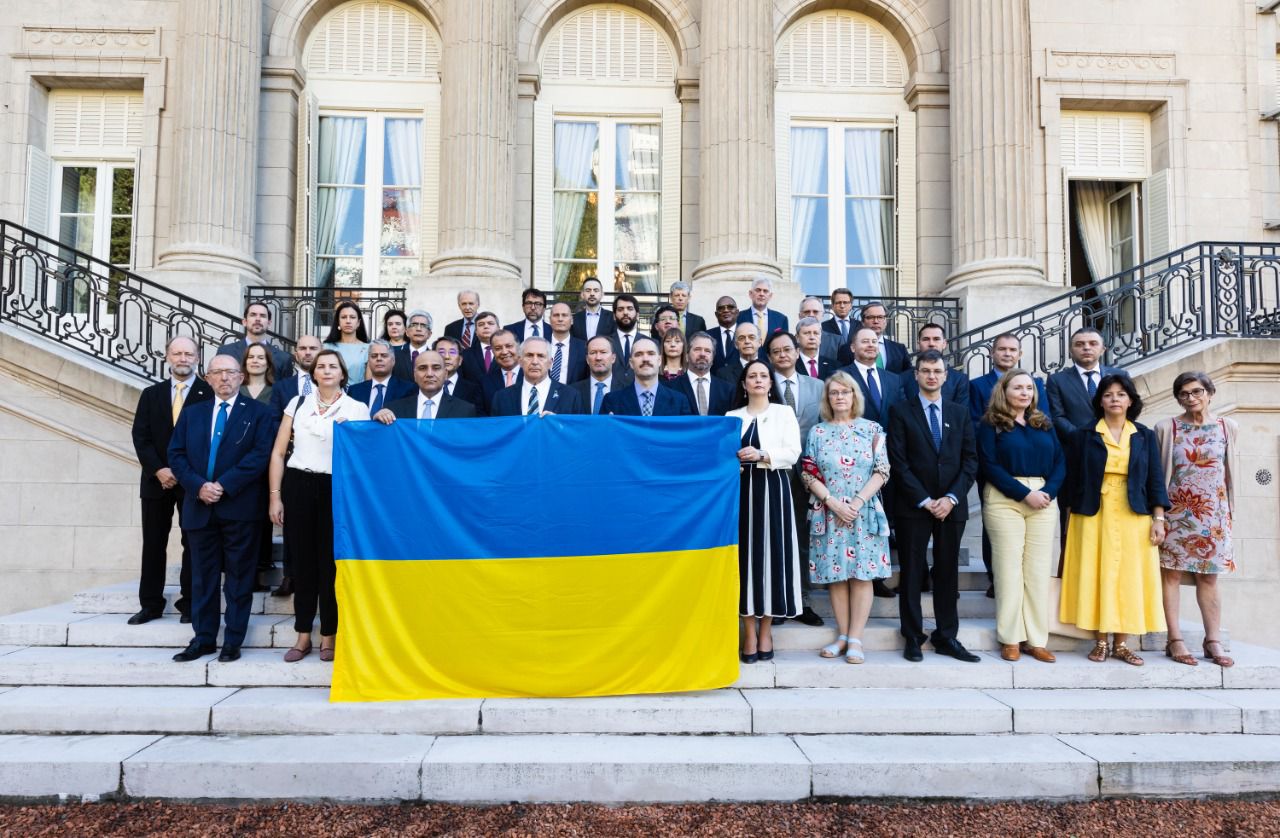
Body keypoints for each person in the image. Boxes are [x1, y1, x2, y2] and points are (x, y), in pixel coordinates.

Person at [167, 354, 276, 663]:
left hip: (239, 508)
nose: (225, 378)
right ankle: (203, 638)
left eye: (230, 372)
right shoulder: (192, 414)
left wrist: (224, 485)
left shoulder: (258, 413)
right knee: (202, 577)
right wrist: (198, 485)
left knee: (240, 578)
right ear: (208, 378)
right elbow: (175, 454)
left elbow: (259, 455)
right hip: (199, 507)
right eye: (218, 373)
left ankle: (233, 640)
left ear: (241, 377)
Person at [268, 349, 371, 663]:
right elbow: (277, 453)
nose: (326, 370)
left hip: (335, 487)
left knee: (329, 564)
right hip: (299, 484)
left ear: (343, 373)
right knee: (301, 562)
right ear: (313, 374)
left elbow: (363, 457)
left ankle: (329, 635)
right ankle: (302, 636)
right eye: (321, 366)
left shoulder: (356, 408)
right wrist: (275, 495)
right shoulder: (297, 403)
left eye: (333, 366)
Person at [1059, 373, 1169, 666]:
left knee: (1129, 576)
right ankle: (1100, 642)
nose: (1115, 399)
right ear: (1100, 401)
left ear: (1130, 400)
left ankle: (1122, 644)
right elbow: (1070, 480)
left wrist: (1159, 517)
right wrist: (1068, 518)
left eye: (1121, 394)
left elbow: (1155, 478)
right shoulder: (1083, 435)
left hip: (1135, 512)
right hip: (1093, 511)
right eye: (1108, 395)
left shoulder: (1144, 435)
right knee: (1099, 574)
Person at [887, 350, 981, 663]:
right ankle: (912, 636)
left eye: (937, 371)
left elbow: (970, 460)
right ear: (916, 375)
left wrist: (951, 498)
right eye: (925, 370)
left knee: (947, 573)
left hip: (952, 506)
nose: (931, 376)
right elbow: (898, 462)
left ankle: (946, 637)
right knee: (912, 573)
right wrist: (926, 500)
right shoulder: (900, 411)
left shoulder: (959, 412)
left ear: (945, 376)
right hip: (914, 506)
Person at [800, 372, 891, 663]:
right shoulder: (817, 432)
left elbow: (882, 470)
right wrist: (833, 503)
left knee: (861, 575)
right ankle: (841, 635)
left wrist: (856, 502)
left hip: (862, 512)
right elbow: (808, 473)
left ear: (855, 396)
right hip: (829, 513)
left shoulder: (872, 430)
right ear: (827, 399)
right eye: (834, 393)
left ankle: (856, 639)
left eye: (845, 392)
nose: (840, 397)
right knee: (836, 576)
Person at [978, 370, 1066, 663]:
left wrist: (1049, 491)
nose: (1025, 393)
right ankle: (1011, 638)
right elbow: (988, 464)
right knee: (1008, 570)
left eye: (1029, 388)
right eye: (1018, 387)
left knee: (1038, 571)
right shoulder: (992, 423)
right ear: (1004, 390)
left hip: (1043, 497)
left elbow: (1060, 462)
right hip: (1006, 498)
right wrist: (1023, 493)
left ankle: (1037, 639)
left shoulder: (1043, 423)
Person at [128, 336, 213, 625]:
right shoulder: (151, 394)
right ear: (167, 357)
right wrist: (160, 470)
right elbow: (141, 437)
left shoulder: (208, 393)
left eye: (188, 354)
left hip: (192, 482)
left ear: (198, 358)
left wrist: (184, 473)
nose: (183, 358)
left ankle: (190, 602)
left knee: (193, 542)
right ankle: (150, 603)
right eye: (177, 353)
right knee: (153, 543)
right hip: (156, 482)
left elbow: (208, 439)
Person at [1156, 372, 1238, 668]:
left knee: (1209, 576)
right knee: (1171, 574)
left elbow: (1228, 474)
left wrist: (1228, 513)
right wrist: (1157, 514)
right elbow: (1158, 474)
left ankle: (1212, 639)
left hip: (1213, 516)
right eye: (1184, 394)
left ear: (1210, 393)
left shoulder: (1228, 427)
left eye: (1197, 391)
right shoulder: (1168, 428)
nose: (1191, 398)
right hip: (1175, 514)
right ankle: (1174, 638)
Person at [728, 359, 803, 662]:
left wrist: (762, 454)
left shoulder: (783, 413)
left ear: (771, 383)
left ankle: (767, 630)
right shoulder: (731, 416)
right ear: (744, 384)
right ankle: (748, 631)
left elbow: (793, 452)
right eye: (752, 376)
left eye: (763, 376)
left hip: (774, 491)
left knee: (772, 557)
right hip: (740, 492)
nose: (758, 380)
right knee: (744, 558)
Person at [969, 332, 1047, 596]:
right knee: (994, 525)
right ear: (992, 352)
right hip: (993, 466)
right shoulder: (978, 385)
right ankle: (995, 577)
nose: (1007, 353)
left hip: (1030, 467)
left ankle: (1024, 578)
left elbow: (1043, 420)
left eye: (1012, 349)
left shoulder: (1035, 384)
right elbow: (973, 424)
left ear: (1020, 354)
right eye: (1001, 349)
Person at [768, 330, 825, 627]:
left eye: (787, 349)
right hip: (774, 473)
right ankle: (776, 600)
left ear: (797, 350)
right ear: (770, 357)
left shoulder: (817, 386)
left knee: (804, 540)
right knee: (774, 537)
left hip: (809, 476)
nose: (782, 355)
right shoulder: (764, 388)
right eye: (776, 351)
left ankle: (802, 600)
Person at [1047, 327, 1121, 547]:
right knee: (1072, 520)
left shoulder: (1119, 376)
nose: (1086, 348)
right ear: (1071, 350)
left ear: (1103, 348)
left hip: (1114, 457)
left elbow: (1127, 411)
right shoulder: (1057, 380)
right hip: (1074, 458)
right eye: (1079, 344)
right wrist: (1085, 439)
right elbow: (1057, 416)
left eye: (1092, 343)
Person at [240, 343, 279, 590]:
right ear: (244, 362)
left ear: (268, 362)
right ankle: (244, 572)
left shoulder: (276, 391)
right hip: (239, 462)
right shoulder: (236, 389)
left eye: (260, 357)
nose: (256, 361)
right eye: (251, 357)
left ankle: (262, 568)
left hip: (267, 461)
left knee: (264, 516)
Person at [373, 350, 478, 422]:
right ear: (414, 375)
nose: (429, 374)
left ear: (445, 374)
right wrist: (378, 420)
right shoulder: (393, 410)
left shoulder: (465, 410)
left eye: (436, 368)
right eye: (423, 368)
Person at [490, 336, 584, 416]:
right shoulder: (501, 397)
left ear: (550, 362)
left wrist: (558, 425)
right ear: (520, 361)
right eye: (529, 355)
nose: (535, 362)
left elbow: (577, 432)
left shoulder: (571, 396)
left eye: (540, 356)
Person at [601, 336, 692, 416]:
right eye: (639, 354)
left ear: (659, 360)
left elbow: (686, 434)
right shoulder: (612, 401)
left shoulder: (679, 401)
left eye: (651, 353)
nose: (645, 359)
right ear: (631, 363)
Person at [839, 327, 903, 430]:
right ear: (853, 348)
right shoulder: (840, 377)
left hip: (889, 442)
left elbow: (901, 413)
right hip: (854, 442)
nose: (871, 345)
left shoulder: (894, 379)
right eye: (865, 341)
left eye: (874, 341)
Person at [216, 301, 294, 380]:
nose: (257, 319)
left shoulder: (283, 358)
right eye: (253, 315)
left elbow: (285, 390)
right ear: (244, 322)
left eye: (262, 316)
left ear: (269, 323)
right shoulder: (225, 352)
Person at [899, 323, 971, 407]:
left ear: (944, 344)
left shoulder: (960, 380)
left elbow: (961, 414)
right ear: (918, 344)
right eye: (926, 339)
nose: (931, 344)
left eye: (936, 339)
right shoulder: (902, 379)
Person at [664, 331, 733, 416]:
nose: (702, 354)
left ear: (713, 358)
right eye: (697, 349)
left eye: (707, 351)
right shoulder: (670, 388)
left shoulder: (728, 390)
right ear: (686, 356)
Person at [347, 340, 415, 413]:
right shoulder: (354, 391)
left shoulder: (408, 390)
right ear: (369, 361)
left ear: (393, 361)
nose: (379, 359)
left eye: (384, 355)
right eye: (374, 356)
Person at [841, 302, 908, 372]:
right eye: (871, 317)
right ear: (863, 322)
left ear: (885, 321)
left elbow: (908, 376)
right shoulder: (847, 349)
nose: (876, 321)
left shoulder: (900, 349)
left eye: (880, 317)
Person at [573, 335, 632, 414]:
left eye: (603, 352)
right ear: (587, 359)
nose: (598, 358)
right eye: (593, 353)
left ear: (613, 358)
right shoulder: (572, 392)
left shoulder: (627, 391)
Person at [269, 335, 323, 421]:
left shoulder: (335, 386)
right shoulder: (280, 387)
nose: (308, 352)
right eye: (303, 348)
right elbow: (274, 420)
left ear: (321, 354)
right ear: (296, 356)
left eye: (313, 348)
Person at [433, 336, 486, 414]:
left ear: (460, 360)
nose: (447, 357)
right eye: (441, 352)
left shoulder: (474, 390)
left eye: (452, 352)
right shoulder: (421, 388)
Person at [323, 300, 371, 383]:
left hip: (357, 394)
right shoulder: (327, 347)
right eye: (344, 317)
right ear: (338, 321)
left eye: (352, 317)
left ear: (358, 322)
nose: (348, 321)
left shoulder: (367, 348)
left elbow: (368, 382)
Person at [480, 329, 523, 412]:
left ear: (519, 347)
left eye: (509, 346)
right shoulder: (484, 382)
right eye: (498, 348)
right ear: (492, 351)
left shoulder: (531, 377)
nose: (504, 352)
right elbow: (481, 413)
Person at [547, 301, 588, 385]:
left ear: (572, 320)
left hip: (573, 396)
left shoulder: (584, 347)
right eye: (556, 315)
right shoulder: (540, 345)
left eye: (564, 315)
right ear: (550, 320)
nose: (560, 319)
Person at [571, 276, 616, 340]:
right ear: (582, 294)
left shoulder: (612, 318)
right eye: (588, 290)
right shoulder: (574, 319)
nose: (592, 293)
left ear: (602, 294)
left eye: (596, 290)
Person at [460, 310, 500, 382]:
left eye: (490, 323)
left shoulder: (507, 352)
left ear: (498, 329)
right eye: (481, 324)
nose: (486, 326)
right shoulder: (465, 355)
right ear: (476, 331)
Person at [799, 298, 843, 363]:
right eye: (807, 312)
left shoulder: (837, 341)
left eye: (815, 312)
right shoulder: (792, 342)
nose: (811, 315)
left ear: (822, 314)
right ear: (800, 316)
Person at [607, 293, 643, 368]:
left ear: (637, 315)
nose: (625, 312)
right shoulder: (605, 342)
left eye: (630, 309)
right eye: (620, 309)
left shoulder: (650, 342)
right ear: (614, 316)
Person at [710, 296, 739, 372]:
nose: (726, 310)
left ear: (737, 312)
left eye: (730, 307)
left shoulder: (746, 334)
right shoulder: (707, 336)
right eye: (721, 308)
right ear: (716, 314)